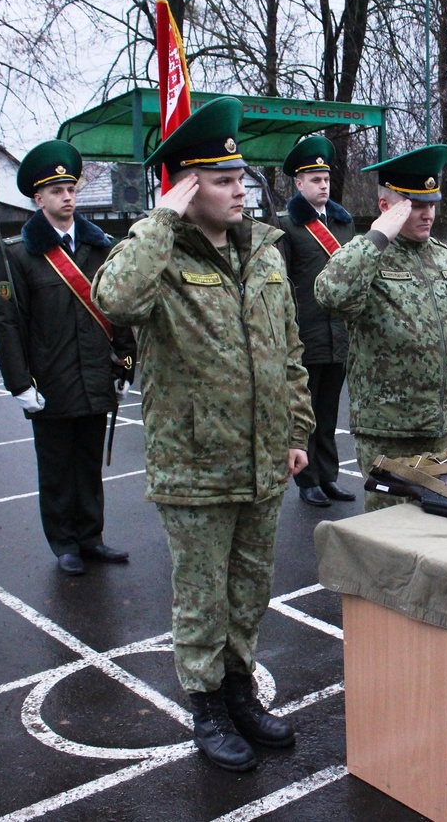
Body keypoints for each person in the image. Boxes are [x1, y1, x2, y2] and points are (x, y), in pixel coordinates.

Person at [91, 97, 314, 773]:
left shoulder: (265, 253)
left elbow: (290, 347)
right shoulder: (156, 253)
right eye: (222, 179)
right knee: (202, 595)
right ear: (186, 186)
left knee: (249, 588)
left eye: (241, 176)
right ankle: (207, 706)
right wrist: (161, 218)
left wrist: (297, 427)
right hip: (194, 465)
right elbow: (115, 299)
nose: (240, 188)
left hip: (262, 460)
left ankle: (240, 691)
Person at [0, 140, 137, 576]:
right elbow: (9, 324)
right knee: (56, 468)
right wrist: (19, 383)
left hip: (94, 373)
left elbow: (118, 307)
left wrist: (126, 362)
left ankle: (91, 535)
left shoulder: (99, 247)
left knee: (90, 464)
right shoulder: (18, 254)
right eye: (56, 191)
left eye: (71, 187)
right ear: (38, 199)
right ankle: (64, 541)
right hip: (50, 379)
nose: (68, 196)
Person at [313, 144, 447, 513]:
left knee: (440, 523)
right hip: (389, 431)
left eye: (431, 204)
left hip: (440, 425)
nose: (427, 213)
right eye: (415, 204)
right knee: (391, 535)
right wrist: (377, 237)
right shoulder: (367, 255)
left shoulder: (444, 258)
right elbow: (330, 293)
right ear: (387, 206)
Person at [274, 136, 357, 508]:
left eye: (325, 178)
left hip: (337, 336)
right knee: (304, 415)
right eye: (314, 179)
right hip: (304, 335)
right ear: (298, 184)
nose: (322, 185)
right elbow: (280, 287)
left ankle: (328, 475)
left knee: (328, 414)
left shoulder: (342, 223)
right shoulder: (287, 228)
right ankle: (307, 480)